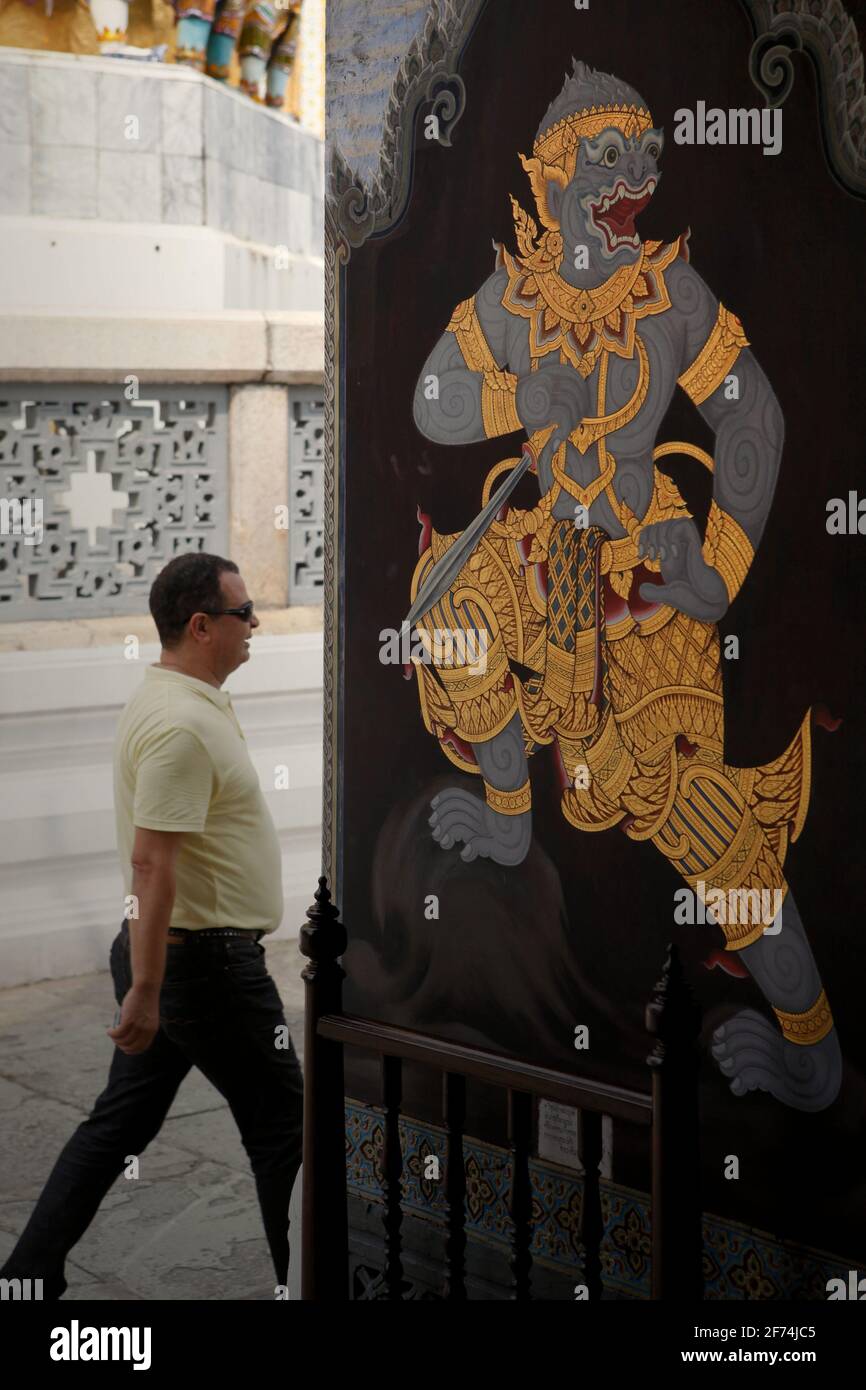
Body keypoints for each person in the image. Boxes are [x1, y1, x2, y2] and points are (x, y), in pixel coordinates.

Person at [0, 553, 303, 1299]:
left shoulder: (182, 699)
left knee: (118, 1126)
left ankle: (25, 1279)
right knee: (285, 1131)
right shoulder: (180, 725)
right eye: (243, 613)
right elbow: (150, 863)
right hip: (204, 969)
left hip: (180, 961)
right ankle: (303, 1283)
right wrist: (144, 988)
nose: (256, 624)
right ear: (201, 626)